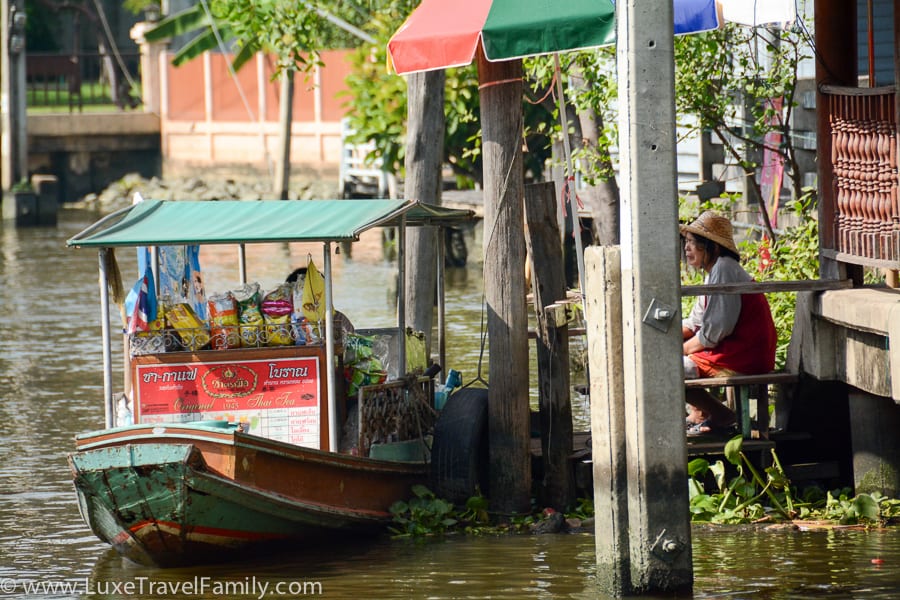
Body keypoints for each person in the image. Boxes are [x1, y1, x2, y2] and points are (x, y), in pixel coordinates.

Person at [680, 211, 777, 434]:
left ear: (712, 247)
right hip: (738, 350)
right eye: (686, 242)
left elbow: (715, 331)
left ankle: (721, 416)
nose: (687, 248)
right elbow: (695, 322)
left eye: (693, 243)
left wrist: (682, 349)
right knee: (671, 360)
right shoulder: (714, 271)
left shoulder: (724, 268)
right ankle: (704, 414)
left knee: (671, 367)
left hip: (745, 353)